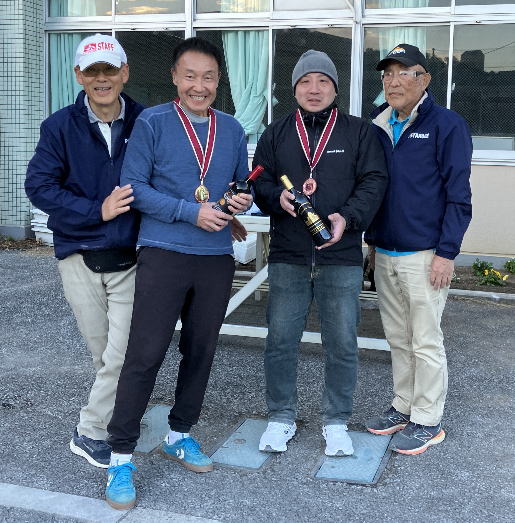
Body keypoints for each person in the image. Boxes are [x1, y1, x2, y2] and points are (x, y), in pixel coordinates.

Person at [104, 37, 253, 510]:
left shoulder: (232, 128)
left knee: (200, 350)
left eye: (208, 77)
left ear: (218, 80)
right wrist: (192, 212)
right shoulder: (152, 122)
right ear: (174, 77)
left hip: (215, 256)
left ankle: (179, 434)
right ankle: (120, 457)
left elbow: (240, 183)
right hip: (164, 252)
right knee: (145, 353)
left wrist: (240, 201)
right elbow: (134, 188)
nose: (199, 86)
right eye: (190, 76)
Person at [252, 50, 388, 457]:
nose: (314, 89)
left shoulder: (359, 132)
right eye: (305, 81)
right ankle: (280, 416)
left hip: (341, 256)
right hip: (288, 254)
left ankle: (336, 421)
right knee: (280, 340)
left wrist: (349, 217)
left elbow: (374, 181)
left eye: (323, 81)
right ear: (294, 88)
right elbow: (259, 181)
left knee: (342, 342)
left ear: (335, 88)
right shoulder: (276, 133)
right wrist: (277, 198)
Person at [25, 34, 144, 469]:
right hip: (79, 256)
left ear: (124, 72)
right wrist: (98, 210)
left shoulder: (147, 121)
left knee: (122, 355)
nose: (101, 78)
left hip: (132, 257)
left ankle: (90, 431)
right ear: (79, 75)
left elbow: (169, 176)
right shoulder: (59, 126)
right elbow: (39, 186)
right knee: (103, 355)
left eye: (109, 69)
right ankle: (119, 414)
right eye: (92, 71)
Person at [364, 44, 473, 455]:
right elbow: (375, 189)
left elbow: (458, 196)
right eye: (387, 74)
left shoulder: (447, 125)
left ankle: (428, 419)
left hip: (426, 255)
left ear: (424, 79)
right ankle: (403, 405)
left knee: (425, 340)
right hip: (386, 251)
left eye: (402, 72)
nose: (393, 82)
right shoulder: (378, 125)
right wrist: (372, 244)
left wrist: (447, 253)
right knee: (398, 337)